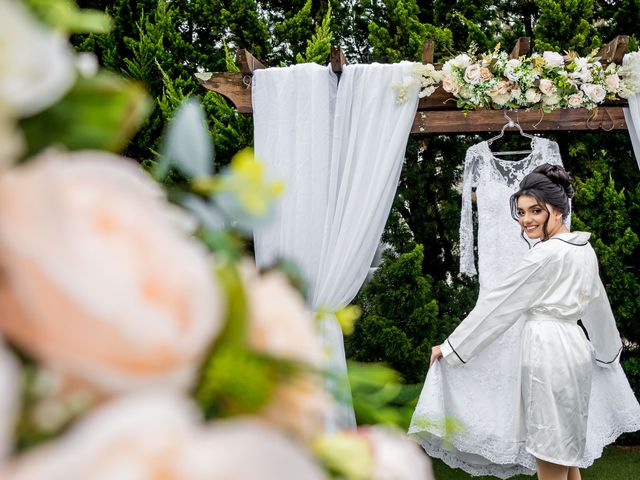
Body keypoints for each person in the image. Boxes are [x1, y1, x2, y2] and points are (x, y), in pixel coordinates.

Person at [429, 163, 635, 480]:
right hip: (575, 350)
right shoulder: (585, 249)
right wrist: (608, 351)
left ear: (558, 210)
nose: (526, 220)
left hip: (548, 352)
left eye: (535, 210)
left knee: (551, 448)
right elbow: (598, 306)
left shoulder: (546, 255)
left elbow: (500, 304)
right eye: (522, 212)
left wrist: (452, 347)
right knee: (566, 451)